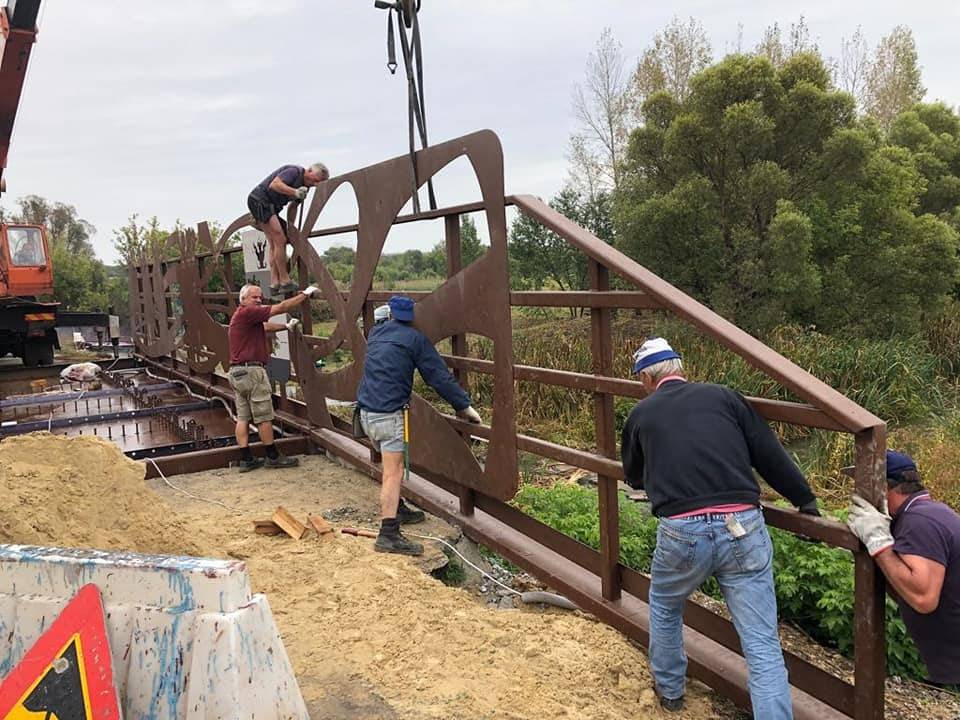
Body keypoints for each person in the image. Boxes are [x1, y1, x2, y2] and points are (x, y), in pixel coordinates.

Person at [620, 337, 820, 716]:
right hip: (742, 525)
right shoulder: (725, 397)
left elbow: (632, 475)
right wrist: (804, 500)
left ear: (647, 377)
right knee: (761, 641)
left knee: (664, 605)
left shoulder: (641, 415)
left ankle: (671, 691)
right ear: (680, 366)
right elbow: (768, 453)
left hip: (682, 530)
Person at [356, 295, 482, 556]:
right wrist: (464, 406)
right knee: (393, 472)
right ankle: (388, 533)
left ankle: (398, 507)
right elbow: (439, 377)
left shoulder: (376, 334)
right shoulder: (415, 339)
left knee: (389, 468)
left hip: (365, 413)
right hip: (388, 416)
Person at [846, 450, 960, 686]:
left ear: (884, 486)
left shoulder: (918, 523)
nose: (857, 492)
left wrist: (879, 544)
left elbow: (923, 597)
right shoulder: (928, 514)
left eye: (863, 484)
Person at [228, 282, 319, 472]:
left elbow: (265, 327)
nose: (259, 300)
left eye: (260, 297)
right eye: (255, 297)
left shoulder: (242, 316)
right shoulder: (248, 312)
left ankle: (246, 459)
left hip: (237, 372)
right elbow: (282, 307)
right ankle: (273, 456)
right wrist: (305, 294)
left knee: (243, 417)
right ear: (243, 299)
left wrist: (285, 326)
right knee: (264, 416)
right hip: (253, 372)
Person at [247, 163, 329, 294]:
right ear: (309, 171)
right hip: (260, 200)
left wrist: (291, 226)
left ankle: (274, 283)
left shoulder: (304, 188)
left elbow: (293, 207)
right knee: (280, 239)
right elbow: (275, 184)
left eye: (317, 184)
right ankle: (285, 280)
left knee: (274, 242)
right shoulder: (294, 171)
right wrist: (295, 192)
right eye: (315, 180)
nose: (314, 184)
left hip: (269, 206)